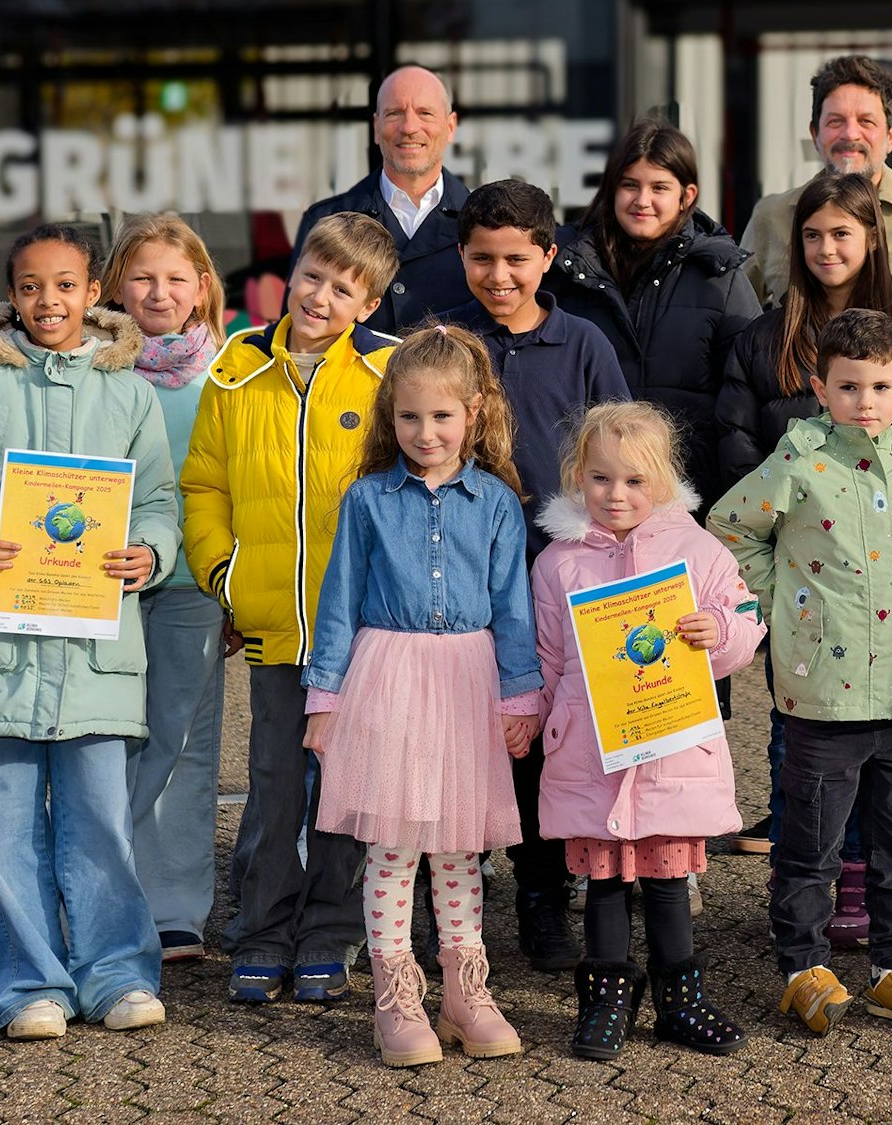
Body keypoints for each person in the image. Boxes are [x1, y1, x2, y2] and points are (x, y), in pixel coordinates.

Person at [0, 224, 180, 1040]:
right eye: (30, 287)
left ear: (94, 291)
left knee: (99, 822)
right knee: (3, 832)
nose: (47, 301)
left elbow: (161, 502)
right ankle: (28, 984)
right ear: (9, 296)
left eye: (64, 285)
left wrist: (151, 552)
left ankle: (119, 974)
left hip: (93, 653)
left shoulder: (130, 393)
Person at [709, 307, 892, 1037]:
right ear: (821, 386)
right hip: (823, 692)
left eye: (881, 385)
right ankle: (801, 965)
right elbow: (730, 528)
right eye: (849, 386)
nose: (866, 401)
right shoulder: (797, 461)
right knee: (810, 837)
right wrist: (779, 602)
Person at [302, 323, 541, 1067]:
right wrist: (324, 698)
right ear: (390, 418)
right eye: (410, 417)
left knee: (460, 847)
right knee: (396, 844)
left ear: (475, 413)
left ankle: (467, 994)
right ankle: (396, 997)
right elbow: (338, 601)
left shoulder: (497, 502)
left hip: (469, 680)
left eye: (442, 416)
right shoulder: (368, 499)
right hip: (390, 676)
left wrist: (521, 697)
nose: (426, 431)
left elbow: (514, 606)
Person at [712, 171, 892, 936]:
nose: (825, 247)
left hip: (890, 630)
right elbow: (737, 479)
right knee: (804, 763)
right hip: (813, 607)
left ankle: (871, 917)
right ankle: (799, 919)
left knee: (890, 787)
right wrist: (781, 590)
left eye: (841, 231)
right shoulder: (765, 338)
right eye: (811, 234)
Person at [183, 212, 400, 1004]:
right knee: (275, 785)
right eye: (314, 274)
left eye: (345, 287)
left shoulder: (387, 374)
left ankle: (330, 933)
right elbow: (203, 483)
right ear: (292, 272)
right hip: (272, 622)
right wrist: (223, 575)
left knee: (343, 787)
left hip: (360, 632)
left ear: (368, 304)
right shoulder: (237, 367)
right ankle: (263, 932)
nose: (322, 295)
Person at [531, 401, 763, 1059]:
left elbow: (745, 620)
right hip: (590, 754)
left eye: (634, 480)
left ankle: (678, 1001)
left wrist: (718, 632)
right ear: (580, 475)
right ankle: (606, 997)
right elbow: (546, 657)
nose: (616, 494)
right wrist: (535, 719)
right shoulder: (558, 563)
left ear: (661, 480)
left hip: (671, 751)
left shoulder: (699, 549)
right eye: (601, 478)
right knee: (604, 882)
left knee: (666, 881)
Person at [444, 178, 630, 970]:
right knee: (462, 735)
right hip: (458, 578)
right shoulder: (447, 345)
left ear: (547, 256)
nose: (499, 275)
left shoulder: (585, 342)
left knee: (547, 742)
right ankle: (448, 895)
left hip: (559, 579)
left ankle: (543, 892)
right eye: (482, 258)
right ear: (461, 257)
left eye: (517, 258)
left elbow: (623, 448)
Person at [101, 213, 229, 964]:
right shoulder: (94, 366)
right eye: (143, 276)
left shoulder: (231, 371)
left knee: (183, 745)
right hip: (102, 585)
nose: (159, 291)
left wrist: (235, 589)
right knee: (103, 743)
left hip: (191, 587)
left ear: (201, 287)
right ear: (117, 285)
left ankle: (176, 905)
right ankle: (99, 892)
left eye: (176, 277)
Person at [545, 119, 761, 506]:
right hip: (587, 494)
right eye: (630, 185)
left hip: (684, 495)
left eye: (659, 187)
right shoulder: (563, 267)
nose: (642, 200)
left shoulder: (719, 277)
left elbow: (746, 395)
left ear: (686, 195)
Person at [738, 53, 892, 349]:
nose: (850, 134)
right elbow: (736, 321)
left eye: (866, 121)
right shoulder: (772, 217)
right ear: (815, 134)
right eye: (835, 121)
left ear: (891, 136)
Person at [290, 65, 471, 333]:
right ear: (376, 127)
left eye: (425, 113)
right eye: (395, 113)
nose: (409, 127)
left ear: (450, 126)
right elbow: (297, 329)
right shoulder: (324, 220)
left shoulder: (482, 223)